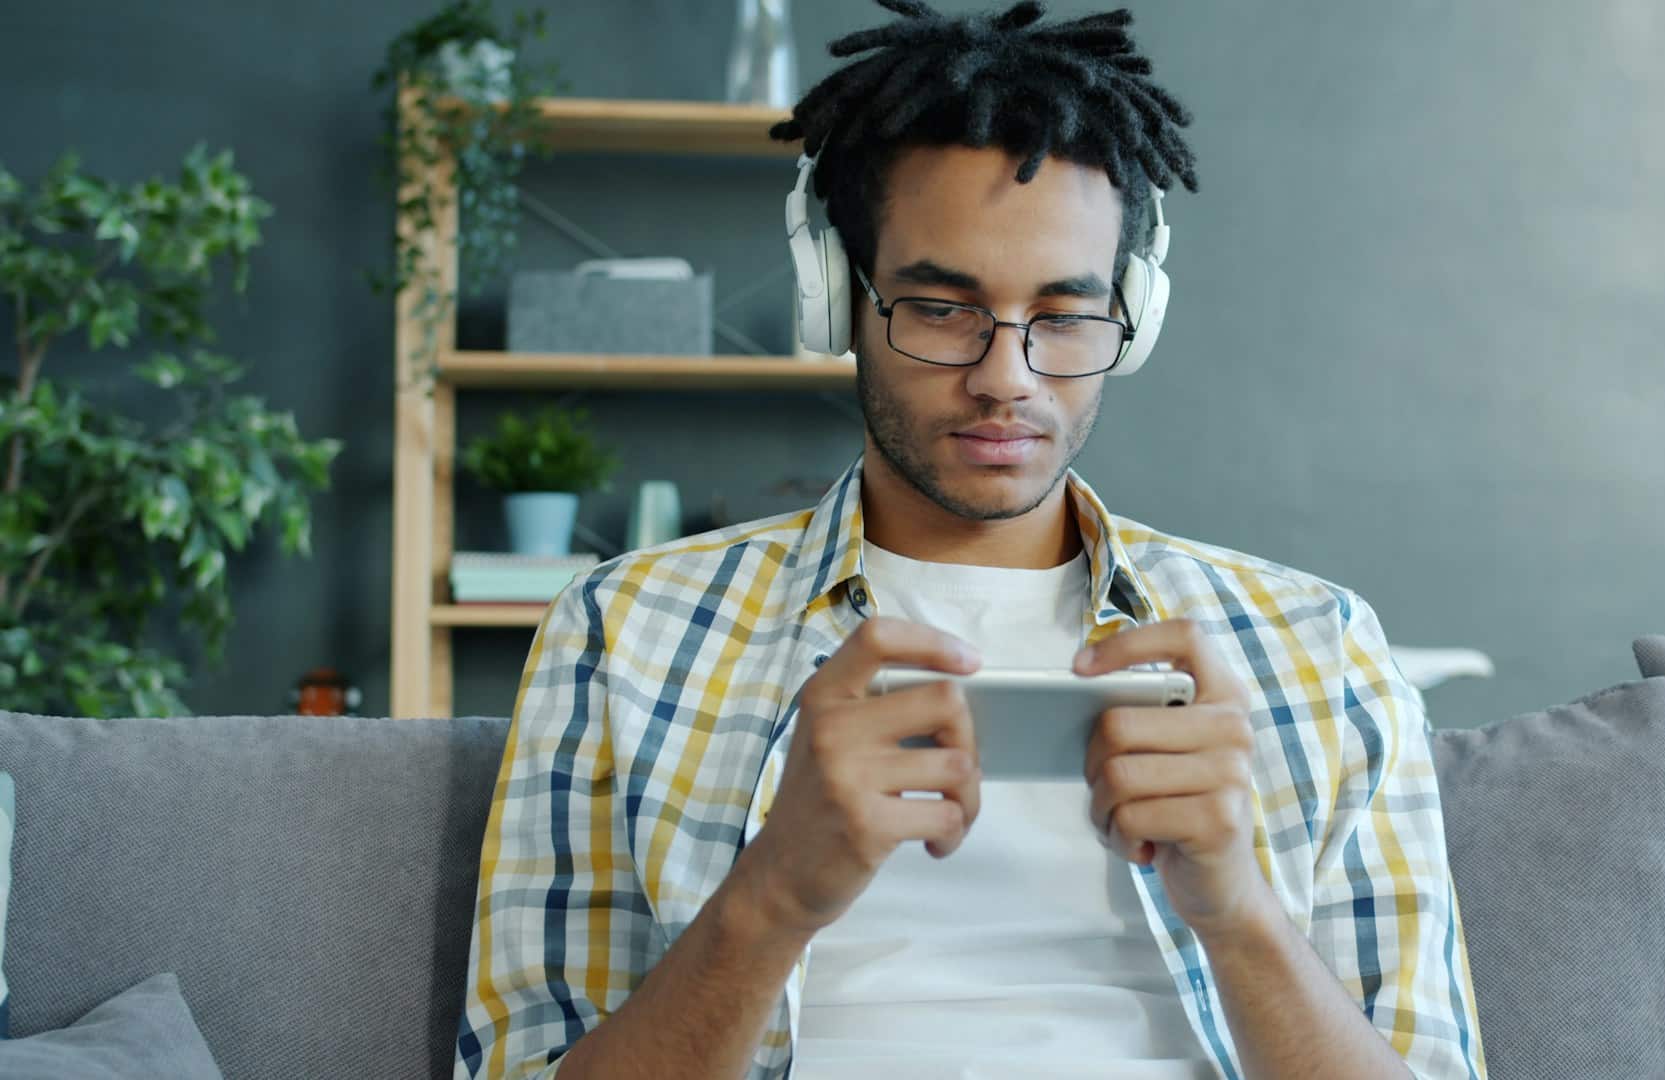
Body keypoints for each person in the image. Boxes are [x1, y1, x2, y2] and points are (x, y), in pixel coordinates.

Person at [454, 3, 1486, 1078]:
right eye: (941, 308)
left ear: (1134, 317)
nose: (1006, 377)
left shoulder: (1317, 645)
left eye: (1066, 315)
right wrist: (772, 897)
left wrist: (1240, 912)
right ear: (833, 301)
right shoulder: (625, 633)